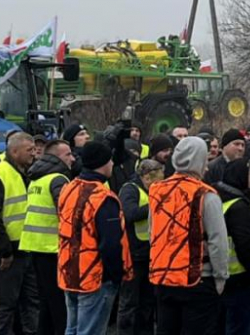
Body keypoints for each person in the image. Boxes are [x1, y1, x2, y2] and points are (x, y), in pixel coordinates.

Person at [149, 136, 229, 335]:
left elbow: (153, 233)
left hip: (164, 278)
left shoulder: (157, 191)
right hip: (198, 279)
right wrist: (220, 278)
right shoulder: (206, 195)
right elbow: (218, 242)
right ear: (200, 161)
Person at [58, 141, 133, 335]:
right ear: (104, 162)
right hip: (95, 278)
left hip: (69, 271)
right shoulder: (103, 198)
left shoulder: (70, 188)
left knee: (72, 329)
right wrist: (116, 275)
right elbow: (110, 244)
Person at [0, 131, 40, 335]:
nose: (34, 154)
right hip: (10, 251)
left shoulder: (25, 172)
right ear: (14, 151)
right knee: (7, 304)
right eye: (29, 150)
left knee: (30, 302)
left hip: (26, 247)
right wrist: (5, 251)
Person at [18, 139, 75, 335]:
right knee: (59, 304)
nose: (73, 158)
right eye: (68, 154)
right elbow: (67, 214)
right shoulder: (58, 179)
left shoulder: (37, 177)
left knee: (46, 302)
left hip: (35, 246)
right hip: (53, 248)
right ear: (58, 156)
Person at [217, 158, 250, 334]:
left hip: (224, 276)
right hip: (240, 278)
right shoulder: (239, 207)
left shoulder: (223, 200)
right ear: (240, 177)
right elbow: (245, 245)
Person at [118, 158, 165, 335]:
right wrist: (156, 204)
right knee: (129, 302)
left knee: (147, 302)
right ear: (146, 178)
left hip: (150, 254)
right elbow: (129, 214)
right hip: (133, 255)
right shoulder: (130, 189)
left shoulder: (147, 189)